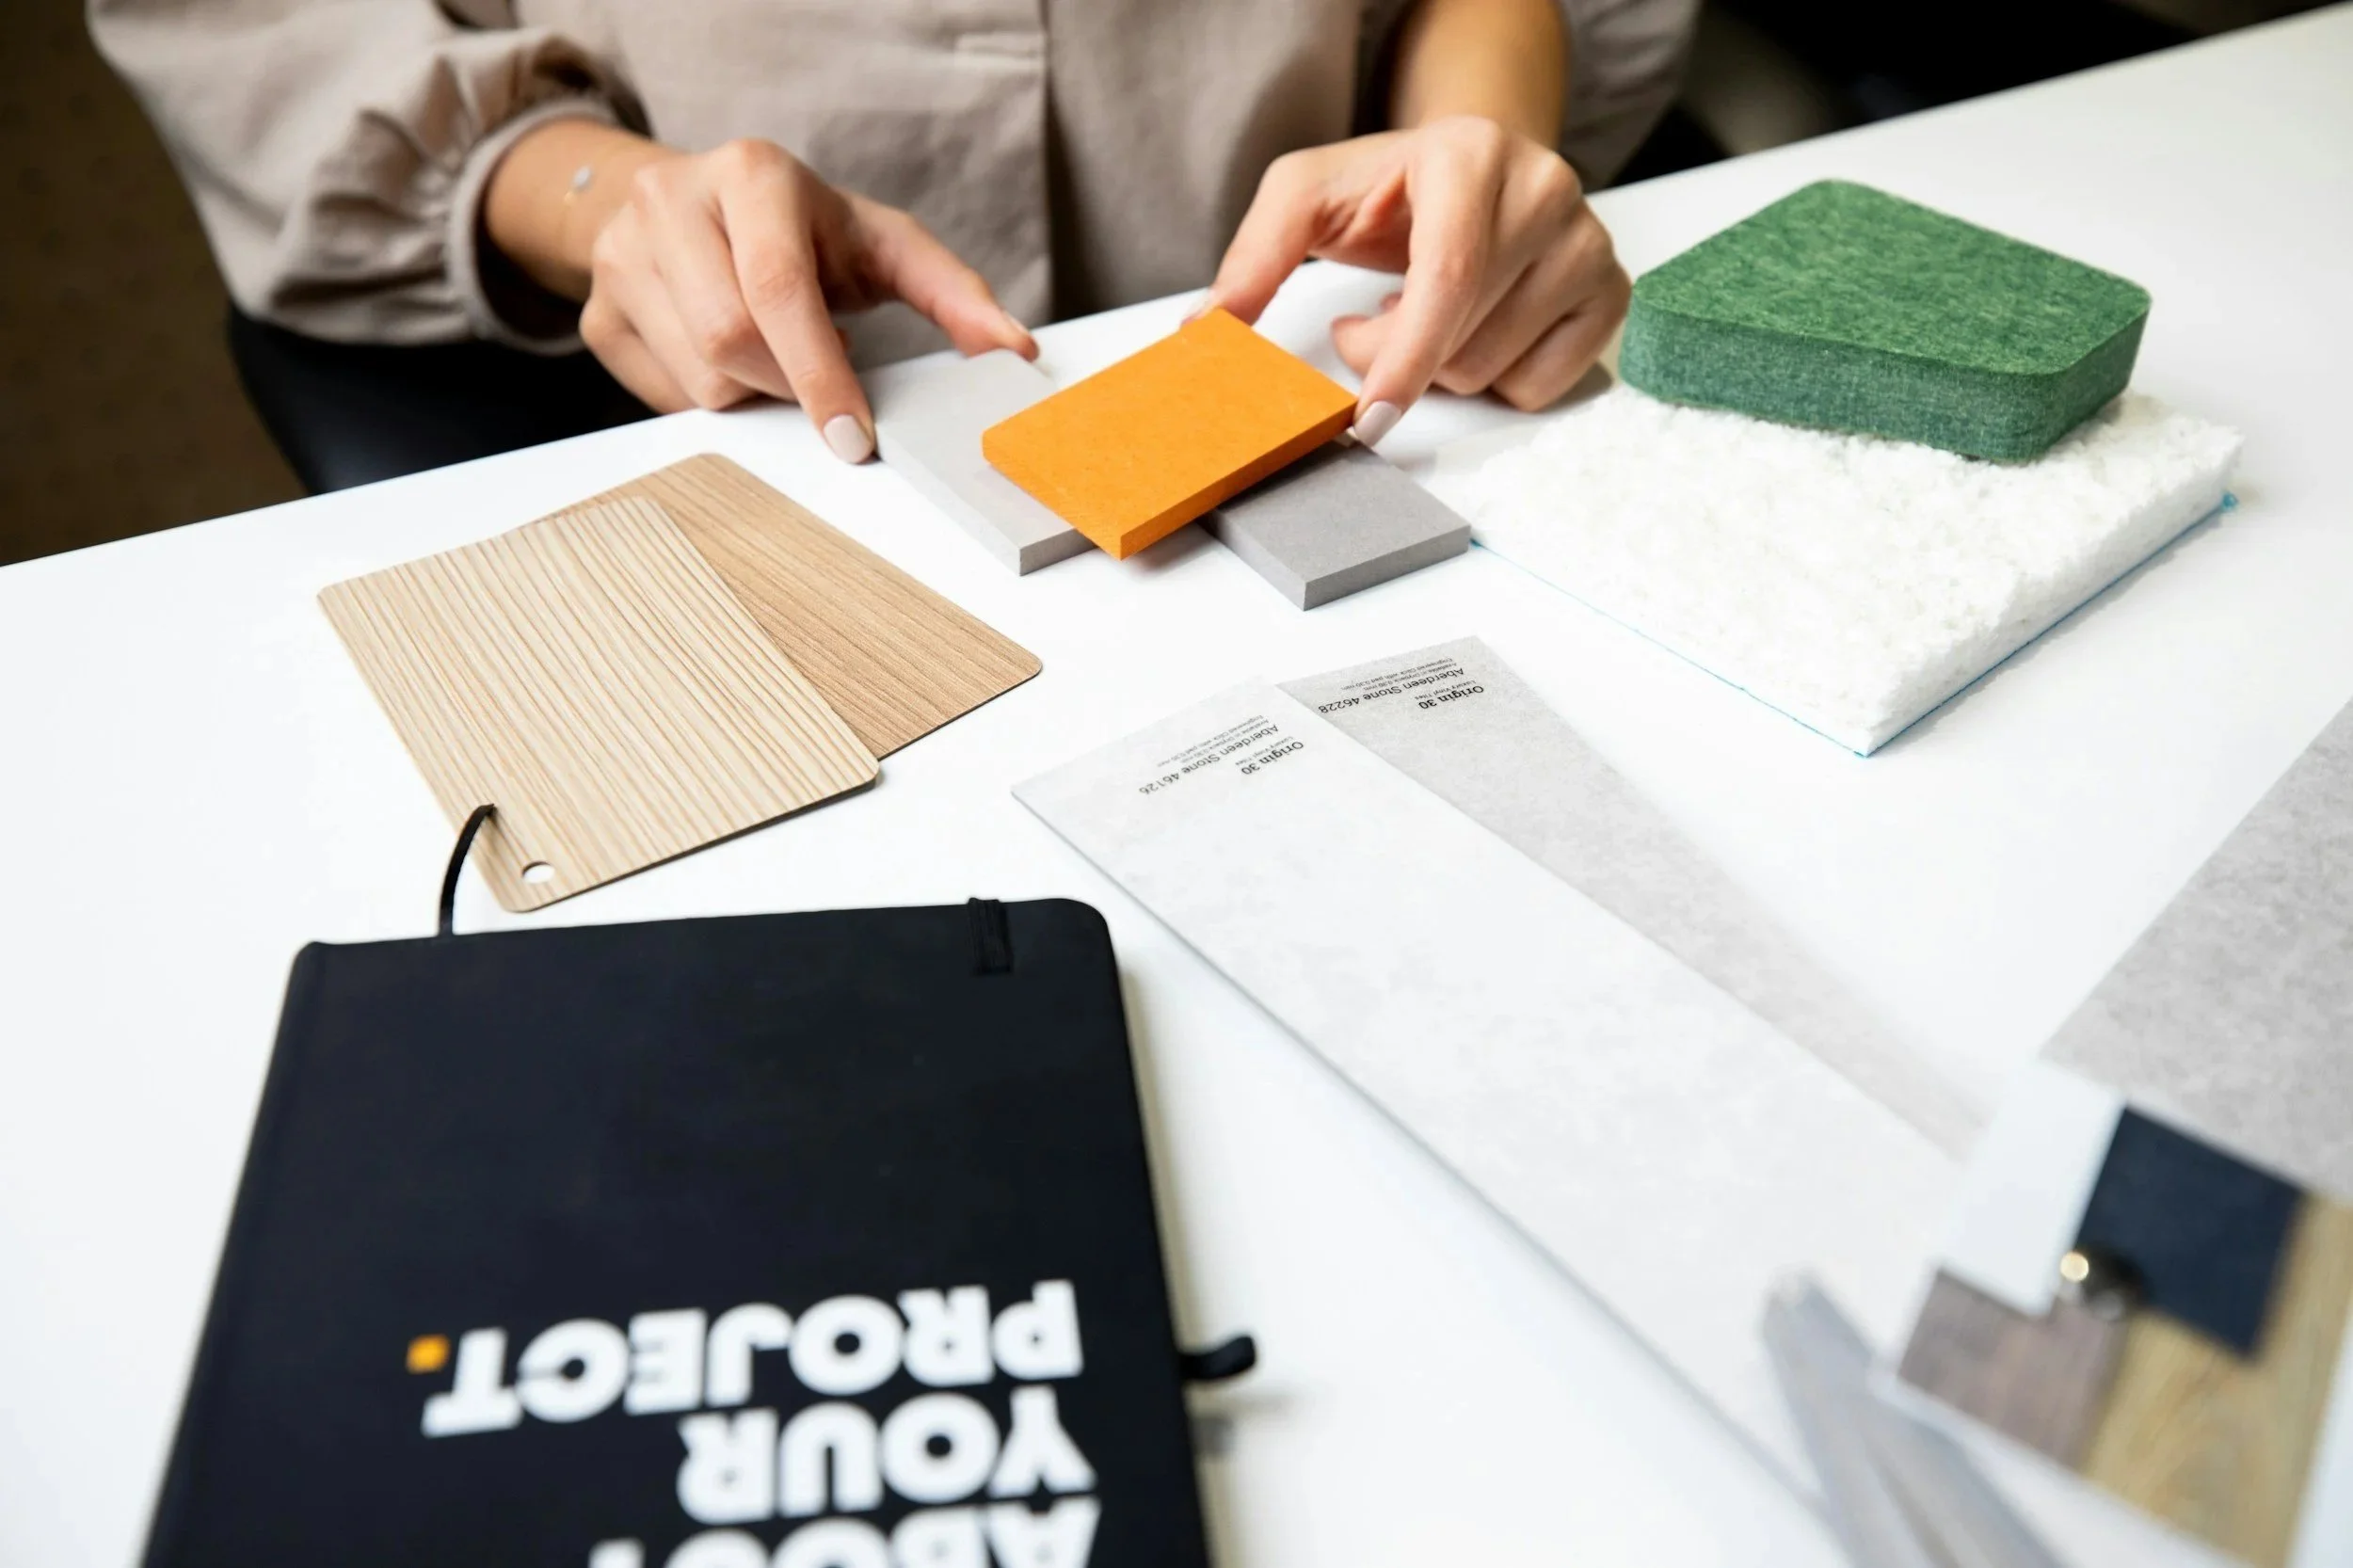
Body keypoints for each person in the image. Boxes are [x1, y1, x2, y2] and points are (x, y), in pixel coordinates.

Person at [93, 0, 1695, 463]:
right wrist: (587, 192)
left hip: (1340, 365)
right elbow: (255, 28)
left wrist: (1480, 136)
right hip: (724, 412)